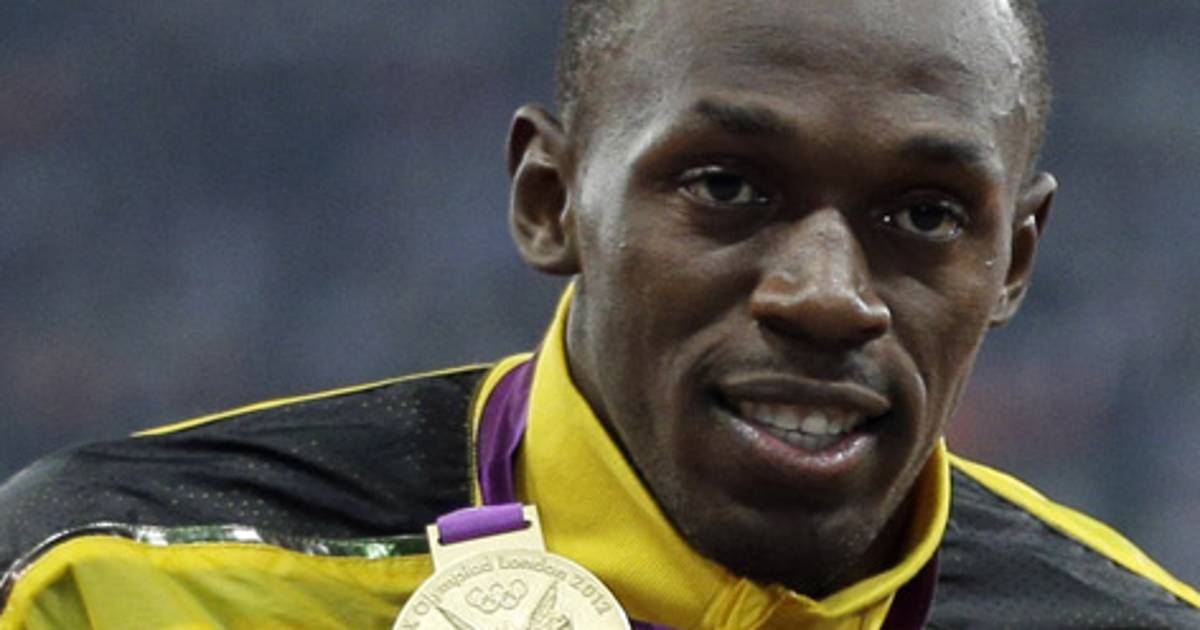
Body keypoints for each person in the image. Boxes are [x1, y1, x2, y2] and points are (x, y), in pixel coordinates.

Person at [1, 1, 1197, 628]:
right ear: (550, 199)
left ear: (1015, 259)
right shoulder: (117, 587)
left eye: (927, 214)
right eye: (726, 187)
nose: (827, 295)